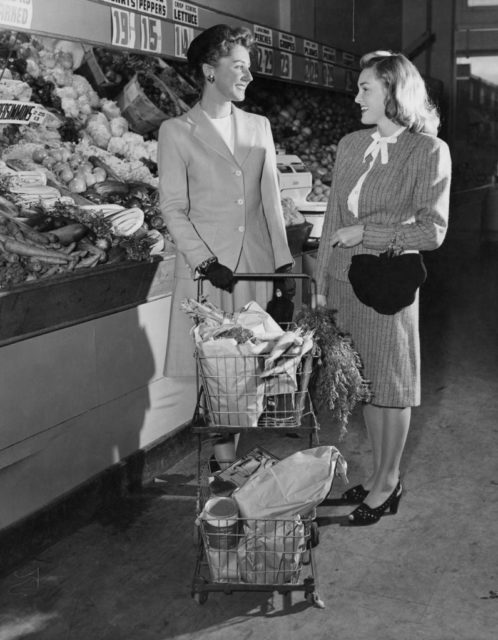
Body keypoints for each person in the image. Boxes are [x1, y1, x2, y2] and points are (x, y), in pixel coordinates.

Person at [314, 51, 451, 525]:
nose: (356, 97)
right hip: (347, 283)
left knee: (392, 385)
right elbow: (334, 215)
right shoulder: (351, 144)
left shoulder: (429, 151)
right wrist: (321, 282)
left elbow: (433, 232)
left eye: (365, 88)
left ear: (394, 93)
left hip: (389, 284)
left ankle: (389, 482)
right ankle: (375, 476)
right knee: (367, 384)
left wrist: (367, 235)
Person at [158, 24, 294, 462]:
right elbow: (173, 208)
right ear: (208, 71)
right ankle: (226, 471)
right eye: (238, 67)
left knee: (246, 375)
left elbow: (271, 204)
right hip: (210, 279)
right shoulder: (176, 132)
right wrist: (203, 260)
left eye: (249, 68)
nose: (248, 76)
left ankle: (228, 474)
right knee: (216, 377)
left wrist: (284, 267)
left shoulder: (259, 127)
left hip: (252, 270)